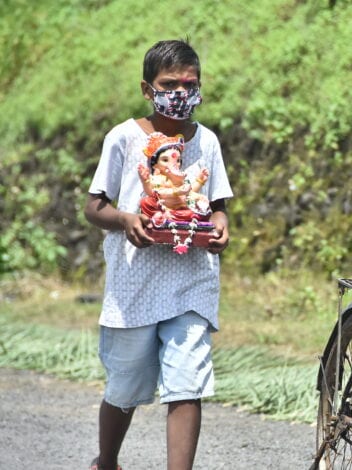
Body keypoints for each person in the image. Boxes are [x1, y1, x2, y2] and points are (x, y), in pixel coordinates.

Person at [84, 39, 233, 470]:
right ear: (148, 89)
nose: (181, 93)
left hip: (192, 279)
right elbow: (94, 206)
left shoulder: (207, 141)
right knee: (126, 385)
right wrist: (127, 220)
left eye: (190, 84)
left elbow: (218, 204)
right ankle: (107, 460)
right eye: (170, 84)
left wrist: (220, 226)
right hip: (135, 283)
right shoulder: (124, 137)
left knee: (188, 383)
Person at [138, 131, 212, 226]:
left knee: (200, 206)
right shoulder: (158, 179)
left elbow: (189, 192)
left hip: (181, 209)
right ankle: (160, 217)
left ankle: (183, 218)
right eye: (165, 160)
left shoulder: (180, 178)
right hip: (163, 207)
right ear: (155, 164)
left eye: (177, 160)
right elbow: (152, 192)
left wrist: (199, 181)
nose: (173, 164)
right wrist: (145, 181)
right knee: (146, 202)